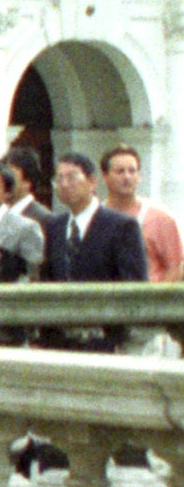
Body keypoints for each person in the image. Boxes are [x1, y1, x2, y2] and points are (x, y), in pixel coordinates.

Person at [40, 148, 148, 344]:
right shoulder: (55, 226)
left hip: (104, 337)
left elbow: (134, 284)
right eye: (59, 179)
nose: (64, 184)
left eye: (72, 177)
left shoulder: (121, 226)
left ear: (92, 182)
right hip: (60, 341)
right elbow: (48, 279)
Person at [102, 144, 182, 281]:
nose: (127, 177)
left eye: (132, 171)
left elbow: (176, 266)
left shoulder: (161, 218)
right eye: (120, 171)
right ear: (105, 177)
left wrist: (157, 298)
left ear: (139, 176)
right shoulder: (95, 217)